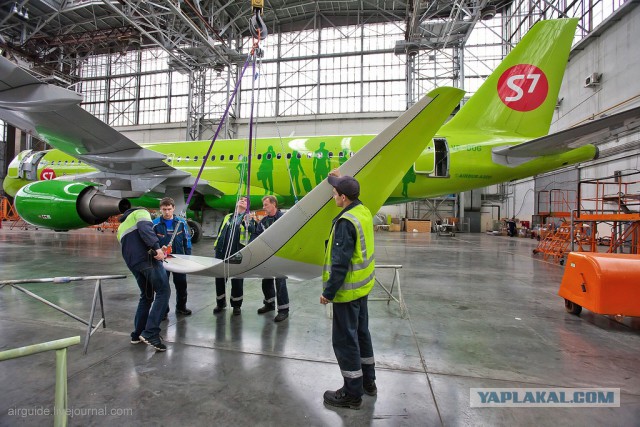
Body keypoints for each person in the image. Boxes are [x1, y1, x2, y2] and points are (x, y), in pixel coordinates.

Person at [320, 171, 377, 410]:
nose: (333, 196)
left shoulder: (345, 223)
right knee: (362, 335)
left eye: (335, 193)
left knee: (345, 341)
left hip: (346, 292)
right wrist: (341, 178)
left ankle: (352, 394)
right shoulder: (362, 211)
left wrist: (328, 293)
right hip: (362, 289)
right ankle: (368, 383)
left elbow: (340, 264)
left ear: (344, 197)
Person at [117, 207, 170, 352]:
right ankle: (150, 333)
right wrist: (156, 248)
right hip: (147, 260)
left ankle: (137, 334)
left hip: (134, 264)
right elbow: (145, 227)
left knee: (146, 297)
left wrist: (159, 247)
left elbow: (136, 241)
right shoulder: (140, 212)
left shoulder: (122, 226)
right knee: (163, 292)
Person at [213, 197, 255, 316]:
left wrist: (248, 222)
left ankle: (236, 305)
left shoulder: (248, 217)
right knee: (220, 278)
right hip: (222, 251)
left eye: (245, 200)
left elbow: (252, 229)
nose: (242, 200)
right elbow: (220, 232)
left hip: (237, 252)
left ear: (248, 207)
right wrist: (217, 246)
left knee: (237, 279)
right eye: (241, 199)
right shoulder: (228, 216)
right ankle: (220, 303)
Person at [250, 195, 290, 322]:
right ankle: (269, 303)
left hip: (281, 256)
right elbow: (256, 235)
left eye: (266, 204)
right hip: (266, 256)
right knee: (266, 281)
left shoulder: (284, 219)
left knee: (280, 282)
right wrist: (250, 248)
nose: (263, 207)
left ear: (274, 204)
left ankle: (283, 310)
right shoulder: (263, 221)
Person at [153, 197, 192, 317]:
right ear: (160, 209)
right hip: (162, 260)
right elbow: (151, 241)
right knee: (163, 286)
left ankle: (181, 307)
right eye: (164, 209)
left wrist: (188, 258)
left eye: (169, 209)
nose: (166, 212)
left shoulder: (181, 222)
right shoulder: (155, 224)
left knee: (181, 284)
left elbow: (187, 240)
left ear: (173, 208)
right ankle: (163, 311)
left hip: (179, 259)